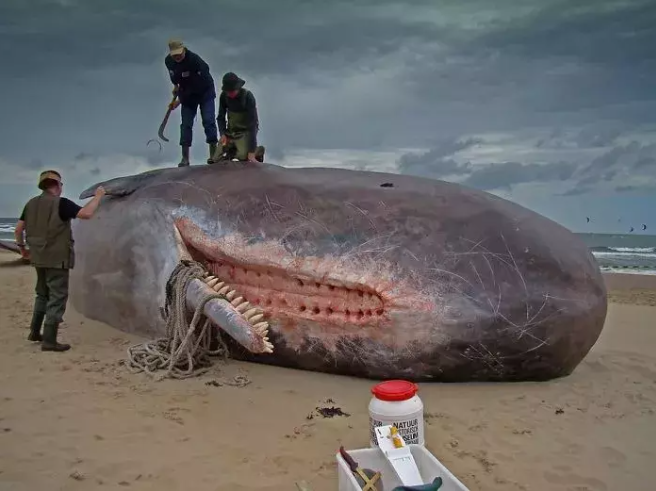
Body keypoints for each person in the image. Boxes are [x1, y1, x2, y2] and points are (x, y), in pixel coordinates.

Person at [14, 170, 105, 352]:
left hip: (38, 258)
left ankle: (34, 332)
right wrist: (98, 196)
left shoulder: (31, 204)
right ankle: (49, 340)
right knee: (57, 297)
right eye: (61, 184)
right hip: (57, 259)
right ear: (56, 185)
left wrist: (22, 248)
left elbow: (18, 229)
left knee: (42, 294)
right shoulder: (61, 204)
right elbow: (86, 214)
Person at [164, 38, 219, 167]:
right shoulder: (169, 62)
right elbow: (176, 77)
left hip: (204, 91)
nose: (177, 56)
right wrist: (176, 87)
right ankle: (185, 158)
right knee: (186, 125)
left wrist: (179, 101)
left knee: (208, 121)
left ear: (184, 49)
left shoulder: (195, 61)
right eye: (174, 54)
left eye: (179, 53)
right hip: (186, 94)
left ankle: (214, 156)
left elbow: (197, 86)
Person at [213, 72, 265, 163]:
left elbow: (253, 125)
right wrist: (222, 133)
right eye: (228, 91)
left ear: (238, 87)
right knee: (216, 159)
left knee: (243, 157)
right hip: (230, 132)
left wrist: (251, 152)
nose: (230, 93)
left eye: (232, 91)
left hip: (245, 132)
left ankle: (258, 151)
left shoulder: (248, 97)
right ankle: (232, 150)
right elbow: (220, 117)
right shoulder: (224, 97)